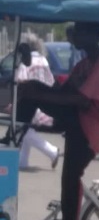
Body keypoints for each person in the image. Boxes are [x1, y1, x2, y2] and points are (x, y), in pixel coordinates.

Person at [16, 22, 99, 220]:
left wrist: (38, 95)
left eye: (78, 31)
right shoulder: (84, 63)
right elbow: (61, 90)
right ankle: (16, 134)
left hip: (93, 126)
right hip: (77, 119)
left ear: (94, 35)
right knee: (31, 87)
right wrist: (29, 70)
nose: (73, 35)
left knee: (70, 176)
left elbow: (82, 100)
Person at [14, 37, 62, 170]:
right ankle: (22, 162)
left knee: (22, 129)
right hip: (43, 99)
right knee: (26, 129)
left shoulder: (25, 60)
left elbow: (21, 79)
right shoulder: (43, 60)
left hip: (27, 100)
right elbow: (50, 80)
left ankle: (52, 151)